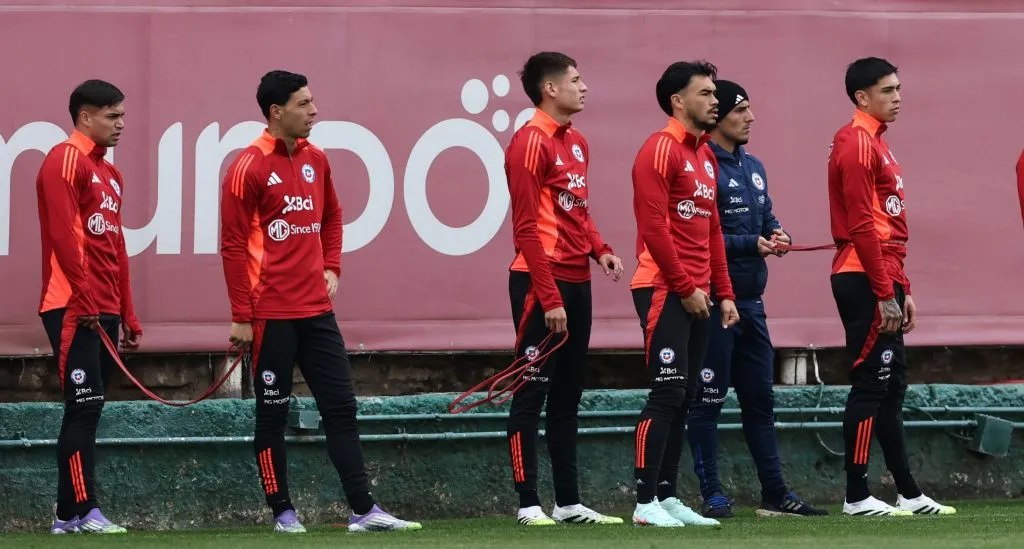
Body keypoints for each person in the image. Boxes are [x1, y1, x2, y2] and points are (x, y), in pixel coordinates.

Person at [219, 70, 422, 533]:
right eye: (304, 104)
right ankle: (283, 513)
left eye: (312, 102)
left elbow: (332, 215)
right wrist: (241, 316)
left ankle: (363, 510)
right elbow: (232, 246)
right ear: (277, 112)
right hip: (271, 315)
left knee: (341, 408)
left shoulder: (317, 158)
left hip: (317, 313)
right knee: (272, 415)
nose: (314, 111)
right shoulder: (248, 166)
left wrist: (332, 266)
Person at [685, 80, 828, 518]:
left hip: (752, 303)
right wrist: (752, 243)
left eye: (749, 108)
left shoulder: (754, 166)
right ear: (718, 116)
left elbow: (767, 221)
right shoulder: (702, 164)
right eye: (740, 109)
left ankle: (776, 494)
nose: (750, 117)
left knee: (760, 403)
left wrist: (779, 235)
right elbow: (699, 236)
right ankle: (712, 494)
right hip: (714, 303)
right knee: (707, 401)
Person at [828, 57, 955, 517]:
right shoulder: (855, 142)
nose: (898, 97)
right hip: (864, 275)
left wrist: (903, 287)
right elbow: (863, 225)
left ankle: (908, 492)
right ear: (862, 97)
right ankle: (856, 495)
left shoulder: (878, 142)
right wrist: (885, 293)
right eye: (888, 90)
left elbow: (887, 227)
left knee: (893, 385)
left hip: (883, 273)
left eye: (899, 89)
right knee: (871, 383)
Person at [503, 51, 625, 526]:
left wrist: (600, 249)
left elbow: (578, 210)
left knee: (569, 395)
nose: (584, 86)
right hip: (541, 283)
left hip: (578, 280)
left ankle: (569, 503)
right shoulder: (528, 142)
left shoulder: (577, 141)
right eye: (576, 79)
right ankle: (527, 503)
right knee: (530, 392)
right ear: (550, 88)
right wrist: (549, 297)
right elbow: (526, 229)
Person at [629, 60, 739, 528]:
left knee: (687, 395)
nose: (716, 100)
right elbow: (653, 228)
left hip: (699, 294)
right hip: (662, 287)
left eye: (715, 93)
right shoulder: (659, 149)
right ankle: (643, 503)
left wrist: (724, 292)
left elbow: (712, 231)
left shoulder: (706, 156)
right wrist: (685, 286)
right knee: (667, 391)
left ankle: (667, 496)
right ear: (678, 101)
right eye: (706, 93)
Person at [36, 79, 141, 534]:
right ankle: (85, 511)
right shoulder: (63, 159)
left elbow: (116, 249)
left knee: (91, 409)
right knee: (82, 407)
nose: (121, 124)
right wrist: (83, 297)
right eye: (112, 116)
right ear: (85, 116)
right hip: (72, 305)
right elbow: (64, 238)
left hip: (104, 307)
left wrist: (128, 312)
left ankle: (66, 517)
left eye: (122, 115)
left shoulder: (111, 175)